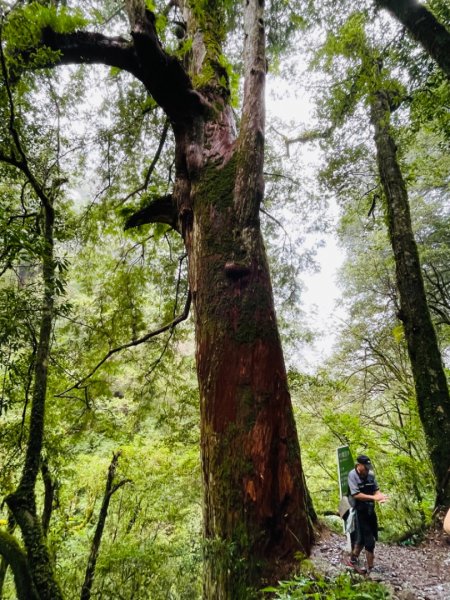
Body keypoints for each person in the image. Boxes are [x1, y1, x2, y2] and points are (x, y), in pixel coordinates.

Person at [346, 454, 388, 574]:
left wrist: (380, 497)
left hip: (370, 510)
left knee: (364, 538)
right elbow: (356, 494)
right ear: (359, 465)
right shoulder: (352, 475)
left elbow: (376, 489)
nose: (367, 470)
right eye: (365, 467)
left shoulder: (370, 475)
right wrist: (374, 497)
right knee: (369, 541)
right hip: (359, 511)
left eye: (368, 467)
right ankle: (371, 568)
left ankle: (353, 559)